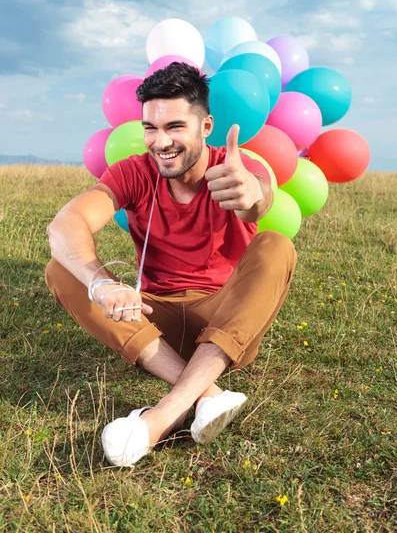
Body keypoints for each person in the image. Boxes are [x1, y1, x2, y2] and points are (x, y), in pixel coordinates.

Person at [45, 63, 297, 467]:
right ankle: (208, 395)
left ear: (206, 125)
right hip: (151, 323)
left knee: (276, 245)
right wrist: (103, 284)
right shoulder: (135, 171)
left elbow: (257, 200)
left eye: (175, 127)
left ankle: (164, 415)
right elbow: (64, 226)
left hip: (225, 326)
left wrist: (252, 193)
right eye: (151, 128)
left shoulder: (235, 167)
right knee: (62, 269)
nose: (161, 142)